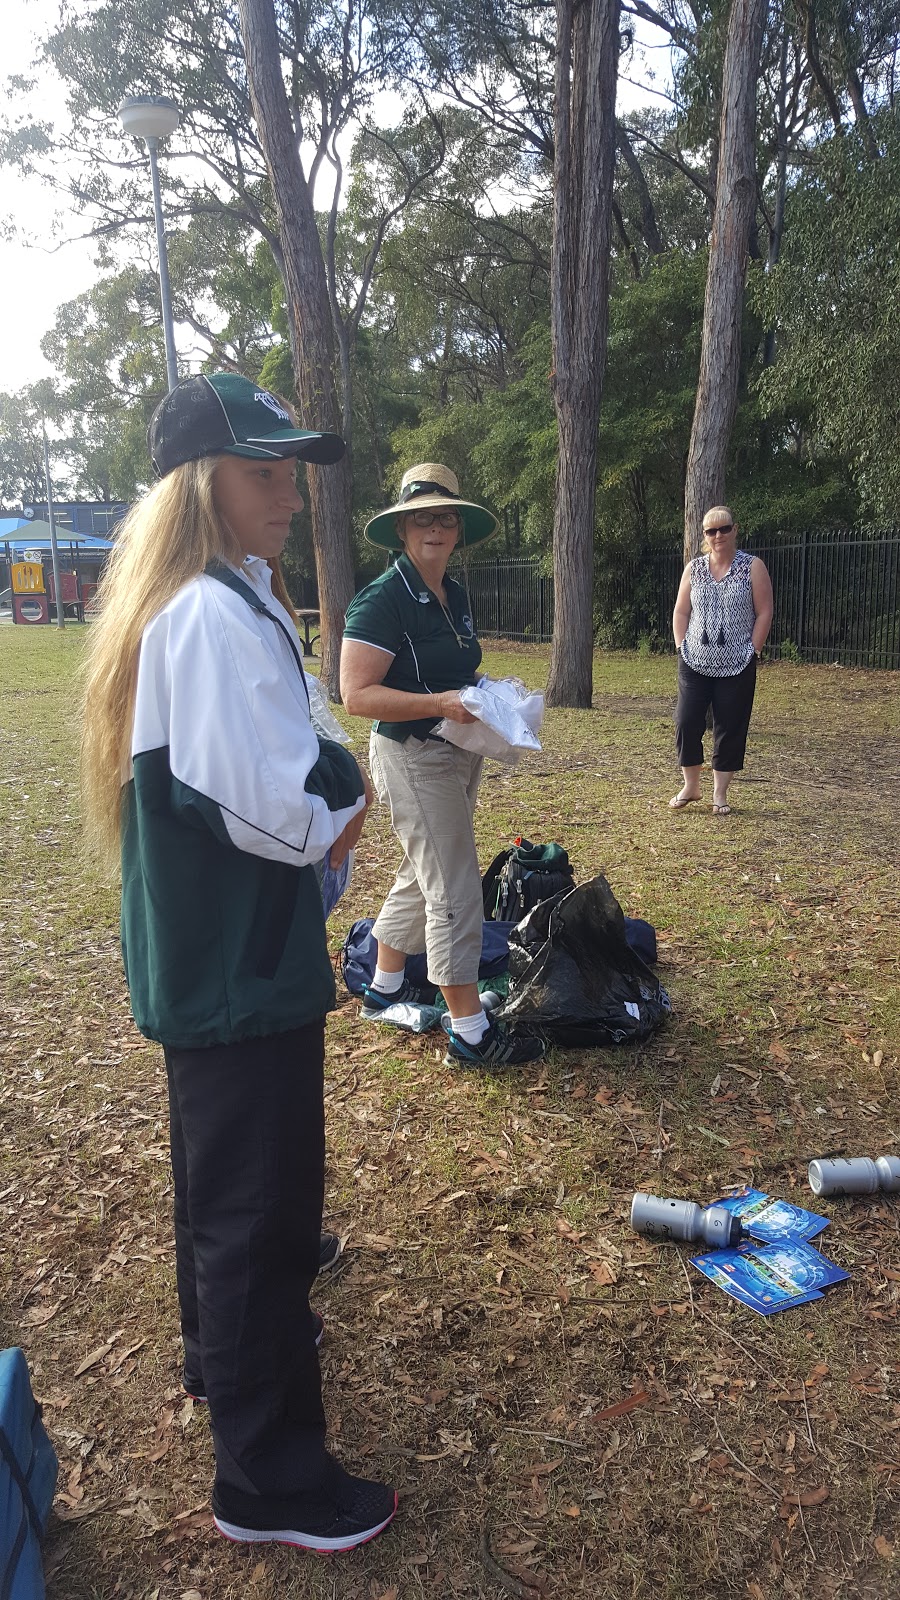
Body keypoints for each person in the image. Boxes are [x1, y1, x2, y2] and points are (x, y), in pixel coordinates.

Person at [80, 372, 397, 1553]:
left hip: (225, 955)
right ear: (203, 485)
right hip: (240, 963)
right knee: (259, 1212)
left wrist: (323, 773)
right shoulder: (208, 615)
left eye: (290, 469)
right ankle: (265, 1479)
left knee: (226, 1193)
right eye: (264, 470)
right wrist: (350, 786)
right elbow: (274, 804)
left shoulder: (222, 596)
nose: (287, 490)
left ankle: (221, 1362)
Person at [340, 463, 545, 1069]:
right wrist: (439, 704)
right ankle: (471, 1031)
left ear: (459, 529)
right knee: (454, 882)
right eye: (423, 517)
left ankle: (383, 987)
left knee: (422, 865)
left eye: (446, 517)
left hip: (458, 748)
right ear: (402, 530)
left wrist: (490, 692)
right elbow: (355, 695)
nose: (436, 527)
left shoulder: (455, 596)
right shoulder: (381, 600)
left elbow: (452, 670)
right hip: (411, 752)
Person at [670, 505, 773, 815]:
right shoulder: (694, 568)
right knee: (687, 720)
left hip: (738, 663)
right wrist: (680, 645)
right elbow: (681, 611)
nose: (718, 536)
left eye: (723, 529)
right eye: (710, 531)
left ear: (734, 529)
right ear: (704, 535)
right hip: (695, 661)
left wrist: (753, 650)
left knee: (729, 726)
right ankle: (691, 786)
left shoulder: (752, 567)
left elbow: (765, 611)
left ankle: (720, 794)